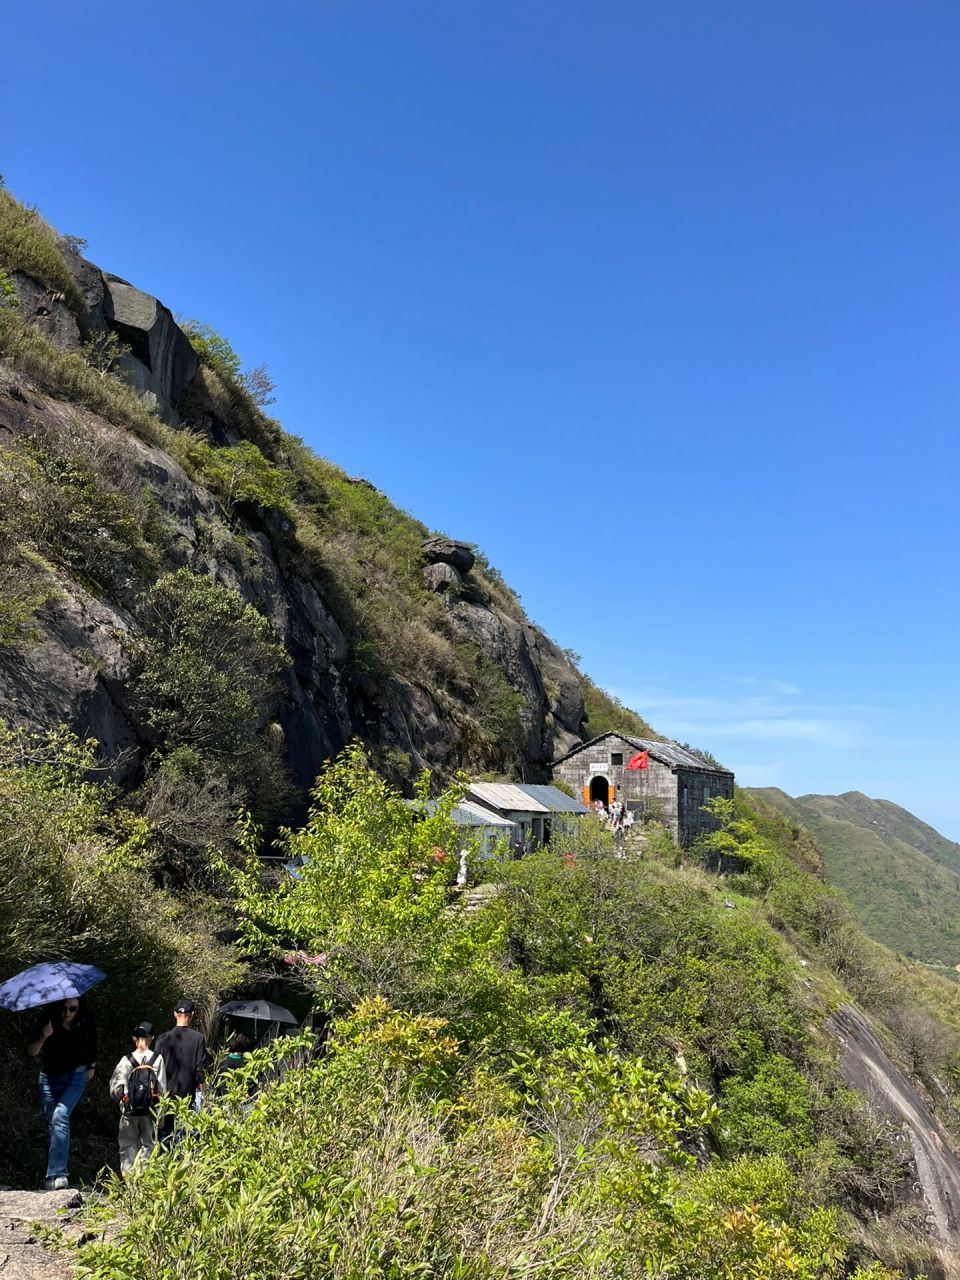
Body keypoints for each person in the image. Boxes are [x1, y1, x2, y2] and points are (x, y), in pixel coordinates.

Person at [26, 996, 97, 1190]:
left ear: (79, 1007)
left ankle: (58, 1174)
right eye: (63, 1008)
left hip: (76, 1076)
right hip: (49, 1079)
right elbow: (31, 1051)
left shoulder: (86, 1019)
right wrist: (43, 1036)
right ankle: (50, 1176)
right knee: (52, 1126)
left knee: (60, 1115)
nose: (67, 1013)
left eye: (72, 1008)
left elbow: (92, 1043)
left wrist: (91, 1066)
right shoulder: (47, 1019)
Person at [109, 1021, 167, 1175]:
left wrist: (122, 1101)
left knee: (127, 1144)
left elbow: (115, 1088)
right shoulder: (157, 1059)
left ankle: (130, 1181)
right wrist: (161, 1116)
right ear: (152, 1038)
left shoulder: (126, 1060)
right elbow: (162, 1089)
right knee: (148, 1145)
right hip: (150, 1112)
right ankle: (144, 1181)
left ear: (134, 1038)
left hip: (129, 1111)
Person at [154, 999, 209, 1145]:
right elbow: (200, 1070)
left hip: (164, 1096)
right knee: (183, 1139)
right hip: (186, 1098)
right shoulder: (198, 1038)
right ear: (192, 1014)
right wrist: (203, 1095)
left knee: (164, 1138)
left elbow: (155, 1068)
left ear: (174, 1014)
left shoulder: (162, 1038)